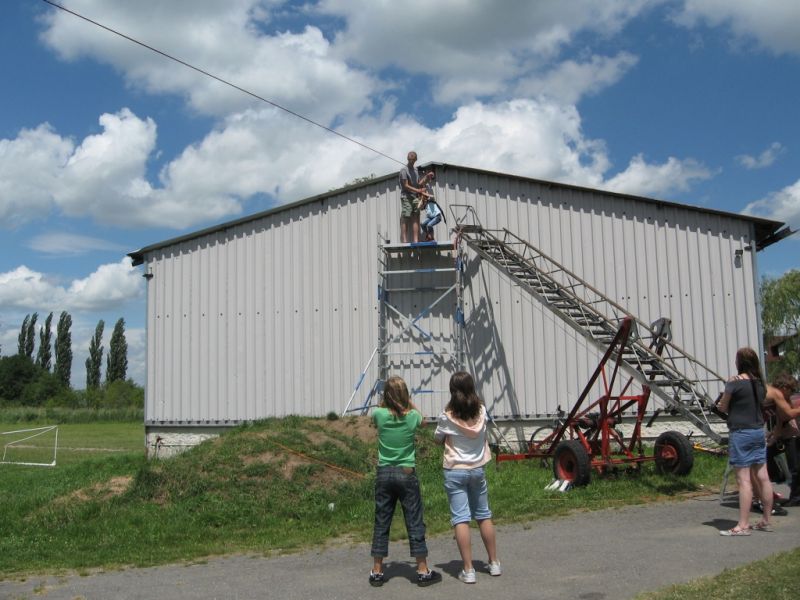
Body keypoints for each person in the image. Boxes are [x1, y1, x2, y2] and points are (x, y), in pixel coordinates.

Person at [369, 376, 441, 587]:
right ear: (405, 396)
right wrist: (409, 403)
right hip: (407, 472)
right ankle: (422, 569)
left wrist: (388, 402)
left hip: (384, 472)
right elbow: (423, 421)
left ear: (386, 396)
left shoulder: (379, 414)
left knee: (382, 520)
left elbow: (377, 415)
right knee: (414, 519)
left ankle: (377, 570)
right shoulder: (412, 417)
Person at [434, 371, 501, 583]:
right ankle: (494, 563)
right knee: (483, 514)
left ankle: (468, 569)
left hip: (455, 469)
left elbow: (437, 439)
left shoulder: (447, 416)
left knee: (461, 518)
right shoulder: (481, 411)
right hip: (477, 468)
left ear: (452, 390)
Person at [715, 347, 774, 535]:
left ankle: (743, 525)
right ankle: (766, 520)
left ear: (739, 362)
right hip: (758, 431)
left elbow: (723, 407)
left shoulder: (734, 382)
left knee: (744, 480)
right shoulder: (760, 384)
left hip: (740, 432)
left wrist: (723, 403)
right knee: (763, 477)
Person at [764, 373, 800, 506]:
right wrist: (774, 436)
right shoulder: (778, 397)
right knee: (766, 456)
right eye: (792, 390)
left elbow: (786, 416)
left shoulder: (784, 399)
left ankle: (796, 497)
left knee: (795, 468)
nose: (792, 393)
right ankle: (777, 477)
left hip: (792, 436)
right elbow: (780, 421)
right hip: (783, 436)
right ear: (784, 387)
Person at [399, 151, 427, 243]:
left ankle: (416, 240)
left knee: (416, 217)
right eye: (409, 158)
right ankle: (404, 241)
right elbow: (405, 185)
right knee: (406, 217)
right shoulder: (404, 170)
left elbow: (418, 184)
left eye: (412, 158)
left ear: (415, 159)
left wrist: (426, 177)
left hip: (415, 197)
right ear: (407, 158)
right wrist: (418, 191)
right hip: (406, 196)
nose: (411, 160)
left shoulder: (415, 170)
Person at [417, 171, 443, 241]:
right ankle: (429, 235)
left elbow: (431, 196)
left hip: (437, 216)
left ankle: (430, 237)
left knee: (429, 225)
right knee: (422, 224)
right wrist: (421, 200)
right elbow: (419, 208)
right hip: (430, 218)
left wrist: (428, 176)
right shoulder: (424, 201)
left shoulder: (430, 199)